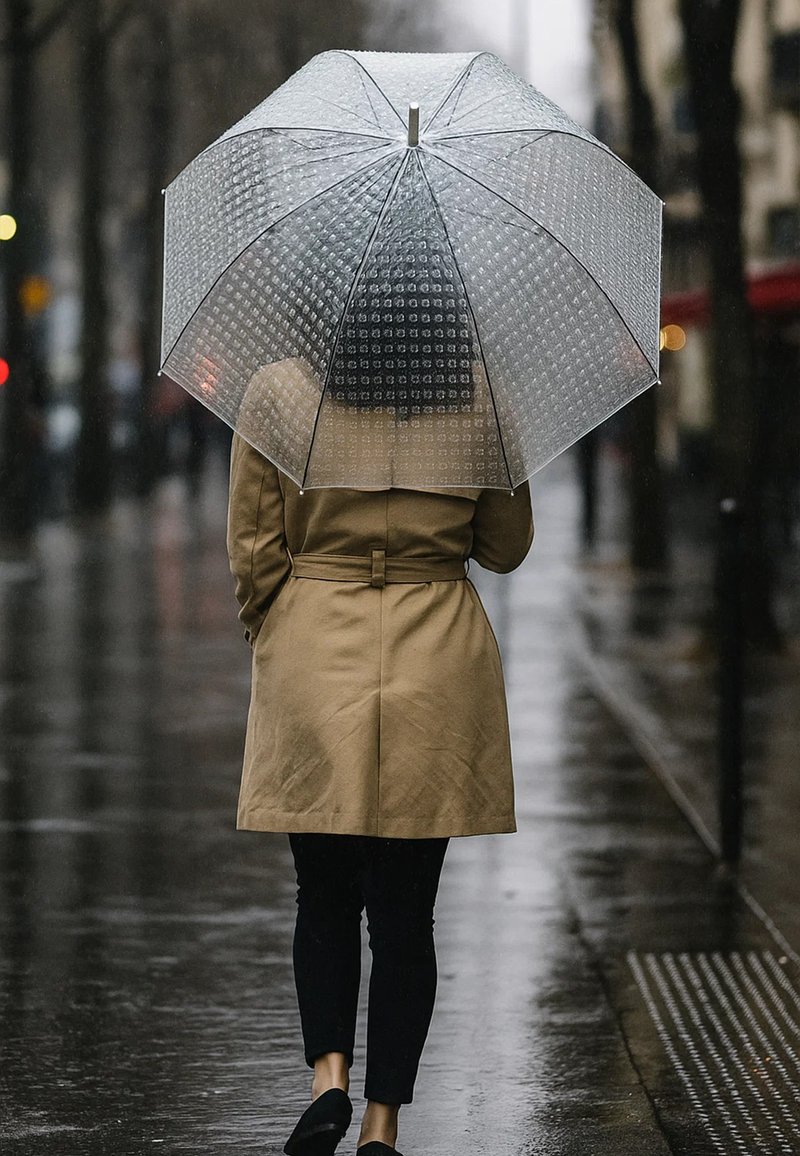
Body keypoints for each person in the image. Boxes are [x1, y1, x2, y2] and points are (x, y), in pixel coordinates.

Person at [225, 265, 533, 1154]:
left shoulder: (279, 391)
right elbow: (506, 548)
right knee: (407, 915)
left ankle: (328, 1074)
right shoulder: (480, 393)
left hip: (315, 646)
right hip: (439, 652)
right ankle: (383, 1126)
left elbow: (254, 544)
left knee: (323, 895)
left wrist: (278, 639)